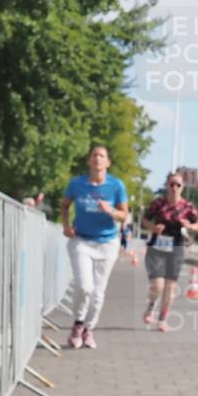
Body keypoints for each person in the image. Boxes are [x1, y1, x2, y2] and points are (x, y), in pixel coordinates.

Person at [60, 145, 129, 349]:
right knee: (84, 286)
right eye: (94, 155)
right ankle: (78, 323)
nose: (98, 159)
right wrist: (65, 226)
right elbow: (64, 206)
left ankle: (88, 329)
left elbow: (124, 215)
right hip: (82, 240)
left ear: (107, 163)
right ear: (89, 161)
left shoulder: (116, 186)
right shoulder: (77, 184)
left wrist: (111, 211)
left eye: (102, 156)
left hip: (107, 243)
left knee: (98, 293)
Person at [141, 172, 198, 332]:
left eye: (178, 185)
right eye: (172, 184)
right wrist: (154, 228)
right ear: (167, 186)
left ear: (182, 187)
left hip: (176, 247)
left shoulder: (187, 206)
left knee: (170, 286)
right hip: (157, 246)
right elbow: (145, 220)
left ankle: (162, 319)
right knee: (157, 284)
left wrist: (189, 226)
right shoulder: (158, 204)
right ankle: (151, 306)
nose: (175, 187)